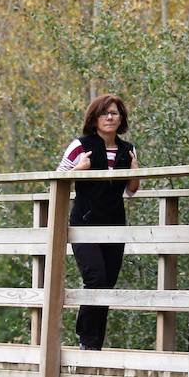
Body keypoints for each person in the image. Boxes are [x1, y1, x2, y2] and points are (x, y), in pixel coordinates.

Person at [58, 94, 141, 350]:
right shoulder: (81, 146)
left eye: (114, 113)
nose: (109, 117)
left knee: (107, 284)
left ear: (121, 119)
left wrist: (136, 171)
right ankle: (86, 338)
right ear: (94, 119)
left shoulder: (128, 150)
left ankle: (95, 345)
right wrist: (79, 169)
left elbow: (132, 190)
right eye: (104, 113)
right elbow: (57, 179)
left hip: (115, 224)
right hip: (84, 223)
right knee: (95, 278)